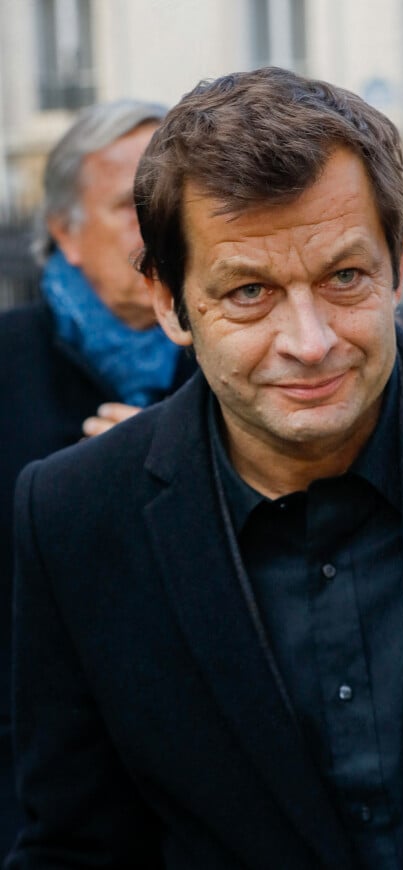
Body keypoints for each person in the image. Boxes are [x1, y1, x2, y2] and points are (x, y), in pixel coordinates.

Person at [6, 68, 403, 869]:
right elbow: (77, 846)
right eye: (249, 292)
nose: (310, 342)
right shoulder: (72, 515)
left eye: (344, 277)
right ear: (170, 302)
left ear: (397, 264)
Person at [0, 100, 195, 859]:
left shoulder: (240, 367)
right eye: (130, 203)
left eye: (173, 199)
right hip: (37, 785)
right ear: (63, 232)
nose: (159, 221)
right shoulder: (10, 362)